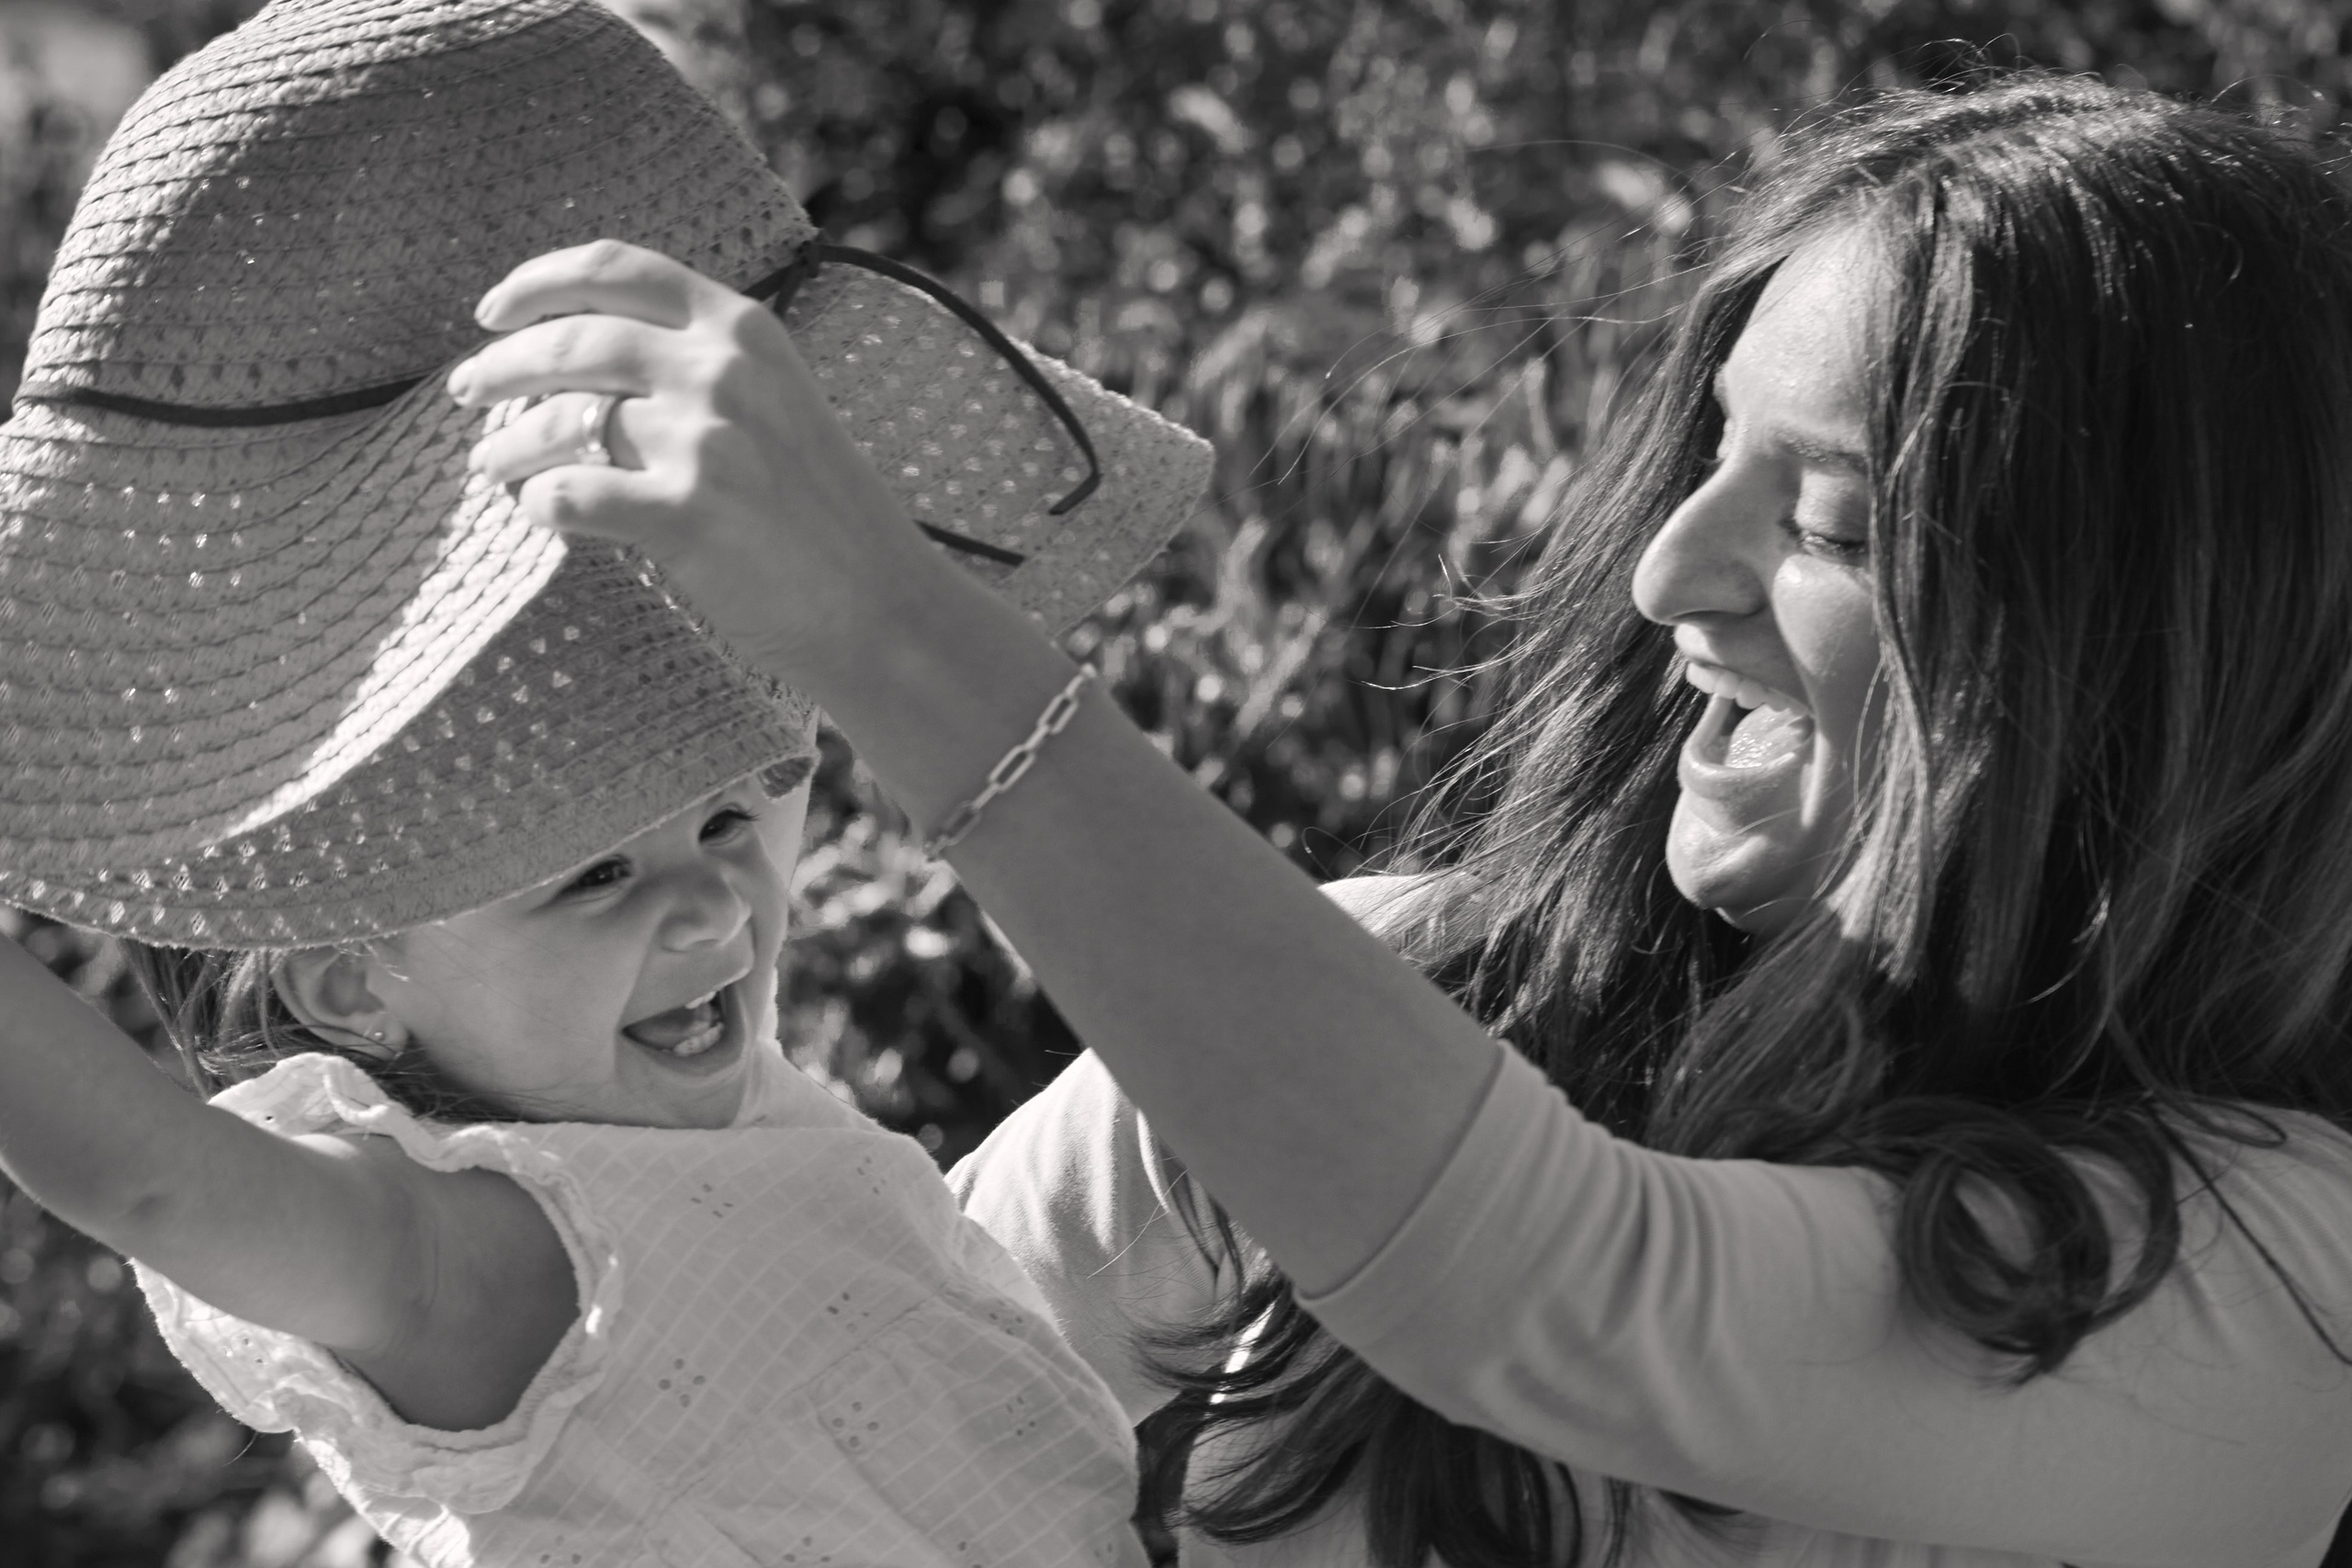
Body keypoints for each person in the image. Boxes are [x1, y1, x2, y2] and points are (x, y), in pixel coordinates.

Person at [452, 72, 2352, 1568]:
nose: (1669, 575)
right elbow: (823, 1436)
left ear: (2150, 649)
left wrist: (883, 618)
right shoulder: (1397, 996)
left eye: (1837, 522)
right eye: (1706, 457)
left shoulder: (2284, 1285)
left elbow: (1557, 1283)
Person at [0, 2, 1211, 1565]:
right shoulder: (478, 1258)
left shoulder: (727, 1137)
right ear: (352, 988)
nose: (711, 896)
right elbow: (156, 1184)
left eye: (725, 813)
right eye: (591, 877)